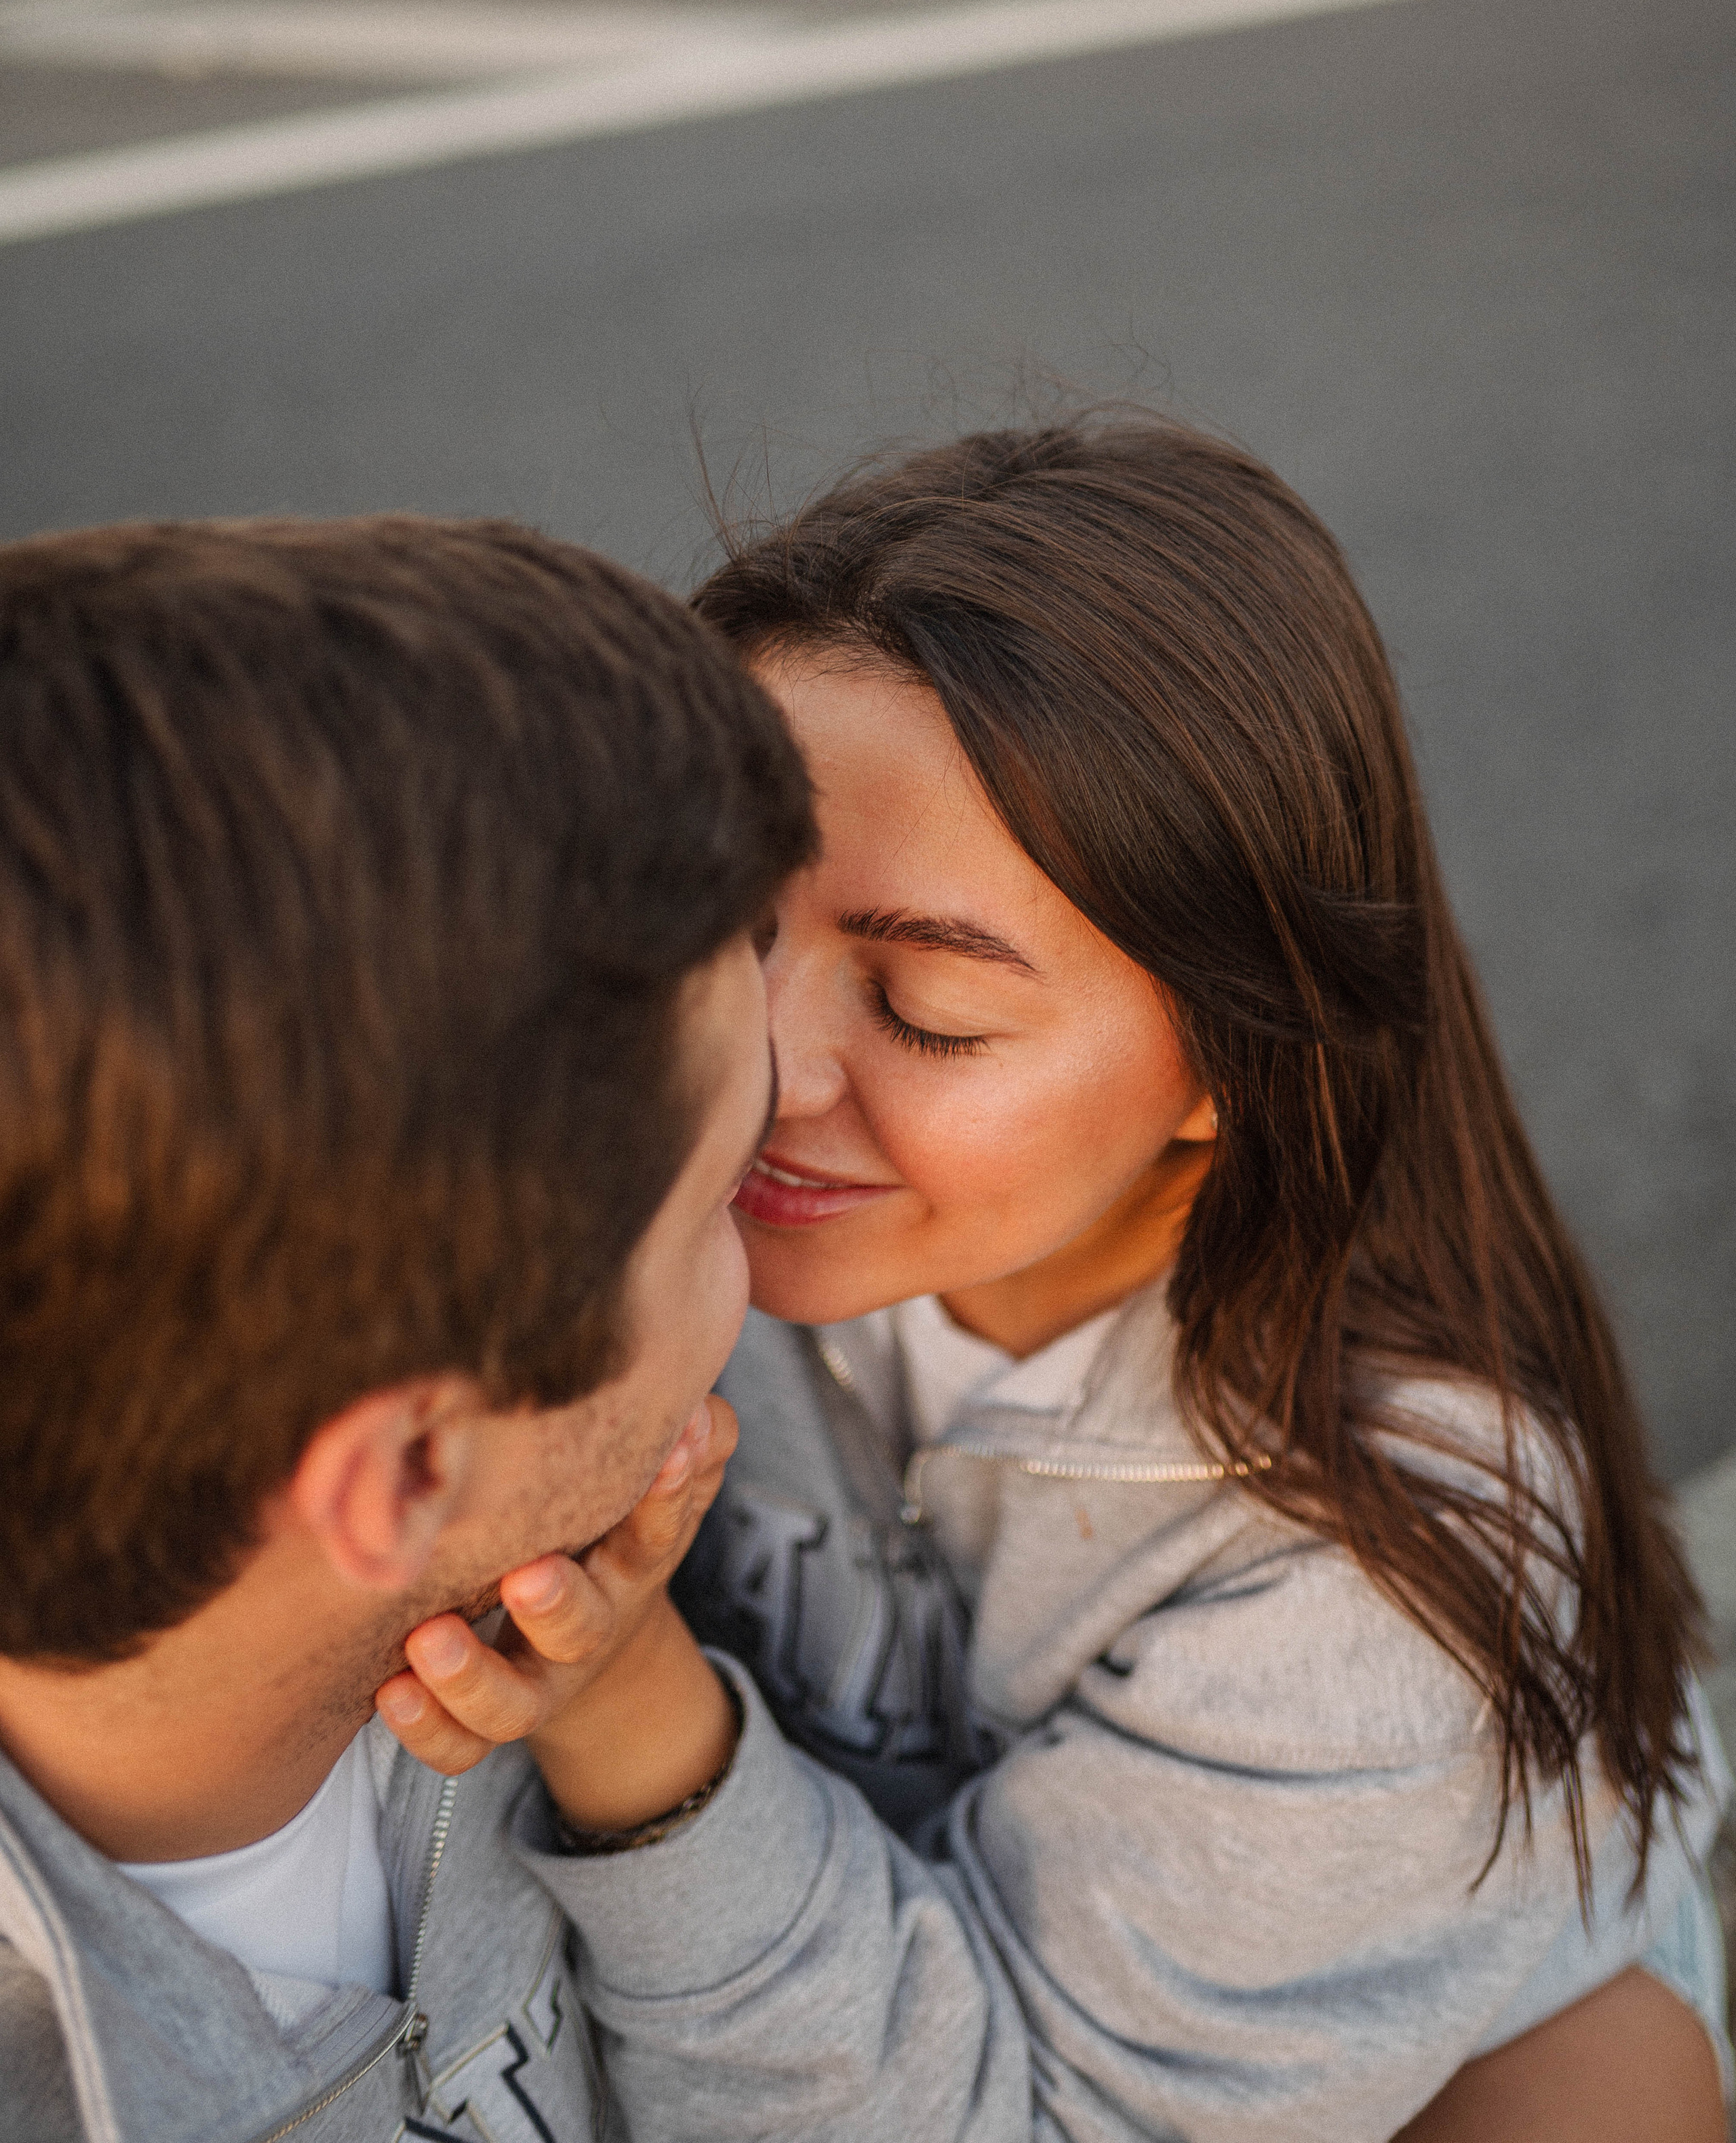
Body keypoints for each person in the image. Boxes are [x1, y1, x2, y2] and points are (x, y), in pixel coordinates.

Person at [391, 419, 1732, 2142]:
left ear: (1229, 1060)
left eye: (930, 1012)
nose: (762, 1066)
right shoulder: (617, 1174)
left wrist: (633, 1710)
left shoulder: (1383, 1594)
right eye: (726, 926)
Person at [0, 514, 814, 2141]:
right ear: (410, 1470)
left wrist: (639, 1721)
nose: (780, 1248)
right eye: (724, 1194)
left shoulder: (559, 1619)